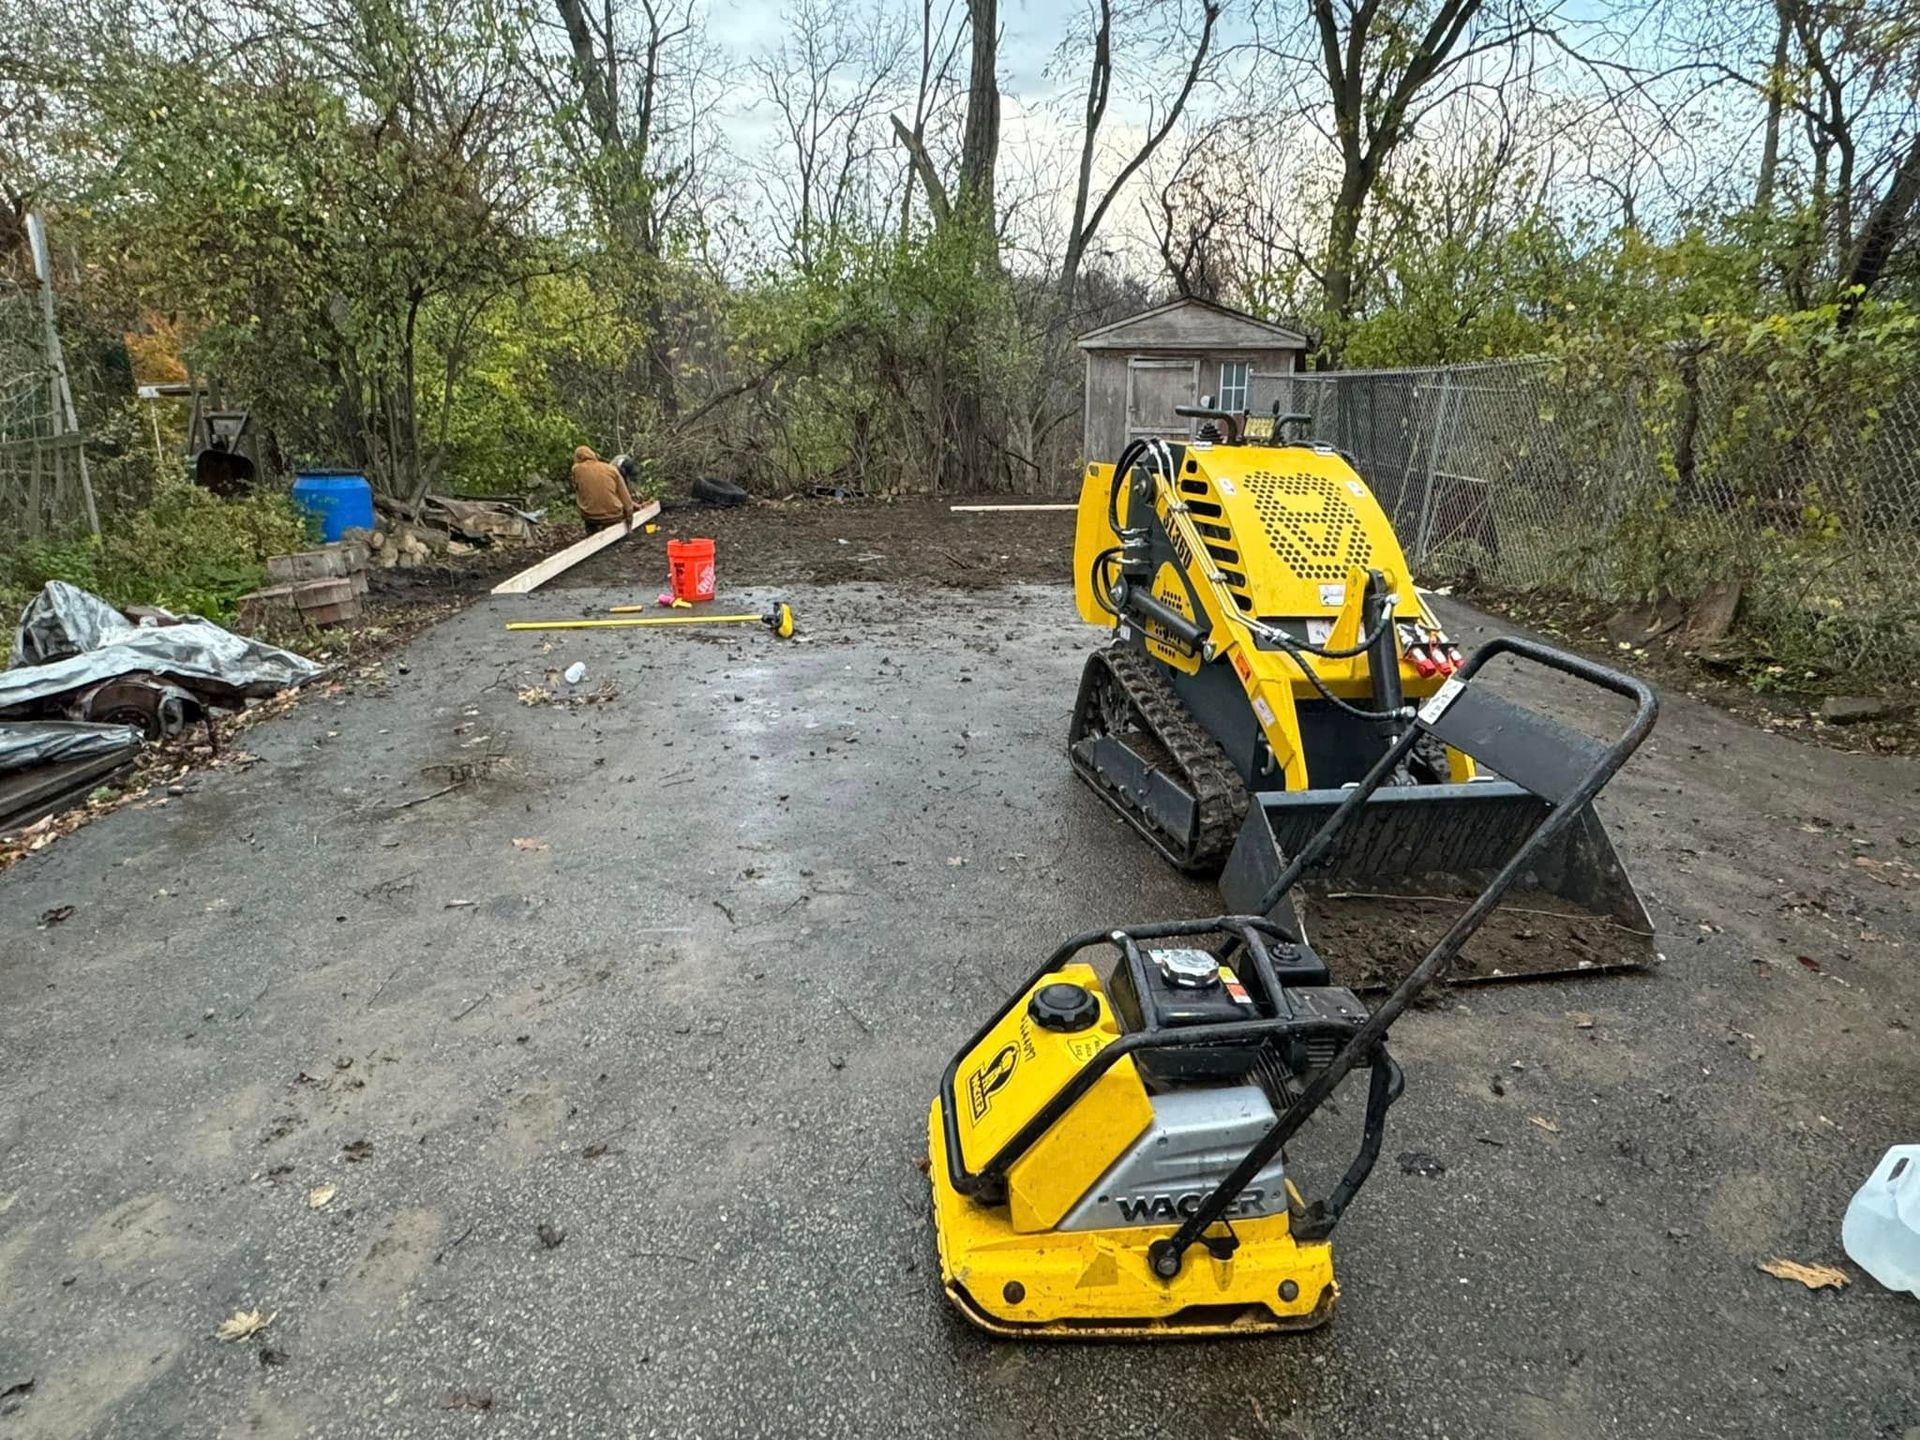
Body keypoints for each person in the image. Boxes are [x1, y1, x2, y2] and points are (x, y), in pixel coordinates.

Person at [570, 445, 637, 532]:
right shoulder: (611, 469)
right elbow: (625, 498)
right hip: (615, 516)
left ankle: (591, 533)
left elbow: (577, 489)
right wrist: (629, 518)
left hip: (591, 517)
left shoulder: (576, 470)